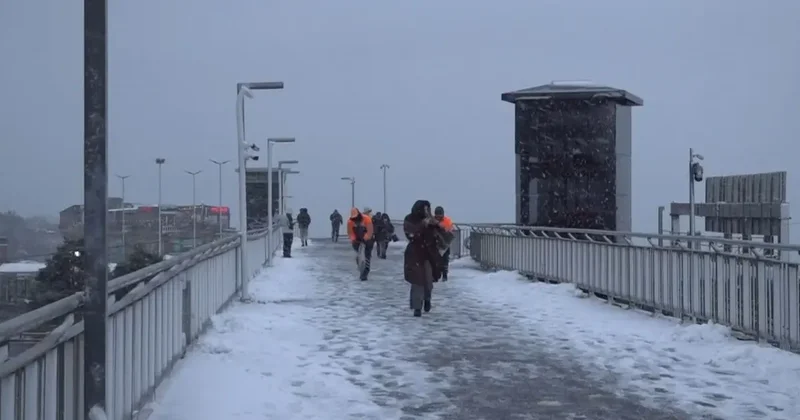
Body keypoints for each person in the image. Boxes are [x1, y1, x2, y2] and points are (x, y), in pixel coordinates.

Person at [403, 200, 444, 317]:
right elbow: (410, 234)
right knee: (417, 282)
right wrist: (423, 225)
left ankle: (427, 299)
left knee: (428, 280)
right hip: (414, 255)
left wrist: (436, 225)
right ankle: (417, 307)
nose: (426, 211)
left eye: (428, 209)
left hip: (428, 254)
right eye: (424, 209)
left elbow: (440, 233)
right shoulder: (410, 219)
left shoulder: (430, 220)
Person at [347, 207, 374, 280]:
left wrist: (365, 239)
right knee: (359, 256)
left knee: (367, 256)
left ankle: (365, 273)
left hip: (368, 240)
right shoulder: (350, 221)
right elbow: (350, 233)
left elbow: (370, 231)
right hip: (356, 241)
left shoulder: (367, 219)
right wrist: (355, 239)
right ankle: (360, 268)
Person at [433, 206, 455, 281]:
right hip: (435, 243)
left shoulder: (447, 221)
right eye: (437, 215)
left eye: (440, 215)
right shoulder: (431, 220)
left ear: (442, 214)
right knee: (435, 259)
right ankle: (436, 274)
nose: (438, 216)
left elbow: (451, 231)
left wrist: (445, 232)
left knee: (445, 259)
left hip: (445, 243)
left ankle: (444, 275)